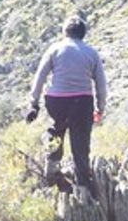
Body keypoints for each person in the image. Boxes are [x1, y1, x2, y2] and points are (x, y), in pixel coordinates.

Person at [25, 15, 107, 191]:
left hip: (57, 101)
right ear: (83, 34)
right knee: (81, 145)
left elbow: (40, 77)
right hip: (83, 103)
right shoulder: (92, 53)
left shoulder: (54, 49)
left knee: (57, 130)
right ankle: (84, 185)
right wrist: (100, 108)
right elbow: (101, 84)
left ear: (64, 32)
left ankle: (52, 161)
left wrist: (34, 104)